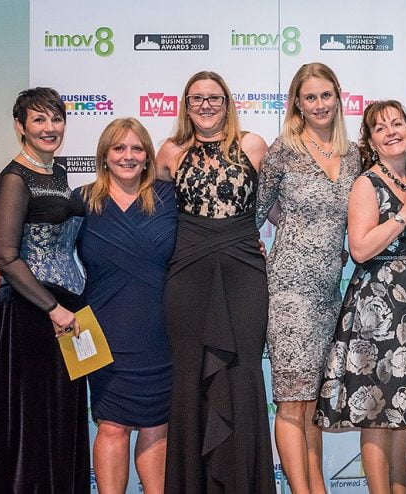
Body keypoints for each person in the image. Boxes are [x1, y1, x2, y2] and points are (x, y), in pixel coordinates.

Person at [155, 71, 274, 493]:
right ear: (186, 106)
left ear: (227, 103)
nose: (206, 105)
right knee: (190, 375)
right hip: (188, 275)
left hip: (243, 273)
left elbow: (281, 207)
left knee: (242, 374)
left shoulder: (253, 145)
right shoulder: (169, 152)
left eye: (214, 98)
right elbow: (151, 216)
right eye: (197, 98)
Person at [314, 100, 406, 494]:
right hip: (377, 308)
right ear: (370, 140)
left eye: (397, 123)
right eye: (380, 128)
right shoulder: (367, 183)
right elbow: (361, 249)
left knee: (404, 408)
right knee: (377, 411)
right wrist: (405, 213)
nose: (391, 132)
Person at [254, 62, 360, 493]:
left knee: (313, 402)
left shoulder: (352, 154)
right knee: (291, 403)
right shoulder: (283, 150)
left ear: (338, 97)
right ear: (297, 103)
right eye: (310, 97)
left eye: (325, 95)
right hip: (288, 291)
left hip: (330, 292)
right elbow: (255, 214)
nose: (319, 104)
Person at [0, 87, 89, 492]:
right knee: (31, 421)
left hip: (64, 310)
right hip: (32, 314)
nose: (49, 127)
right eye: (39, 119)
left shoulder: (58, 173)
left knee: (59, 417)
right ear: (20, 126)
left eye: (56, 118)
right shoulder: (14, 178)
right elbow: (6, 257)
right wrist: (53, 309)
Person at [77, 118, 177, 494]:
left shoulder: (169, 198)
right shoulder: (81, 201)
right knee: (111, 425)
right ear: (104, 155)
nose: (128, 156)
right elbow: (46, 245)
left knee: (157, 425)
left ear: (148, 156)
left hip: (159, 329)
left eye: (137, 148)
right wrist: (7, 267)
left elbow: (206, 238)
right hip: (101, 329)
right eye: (119, 148)